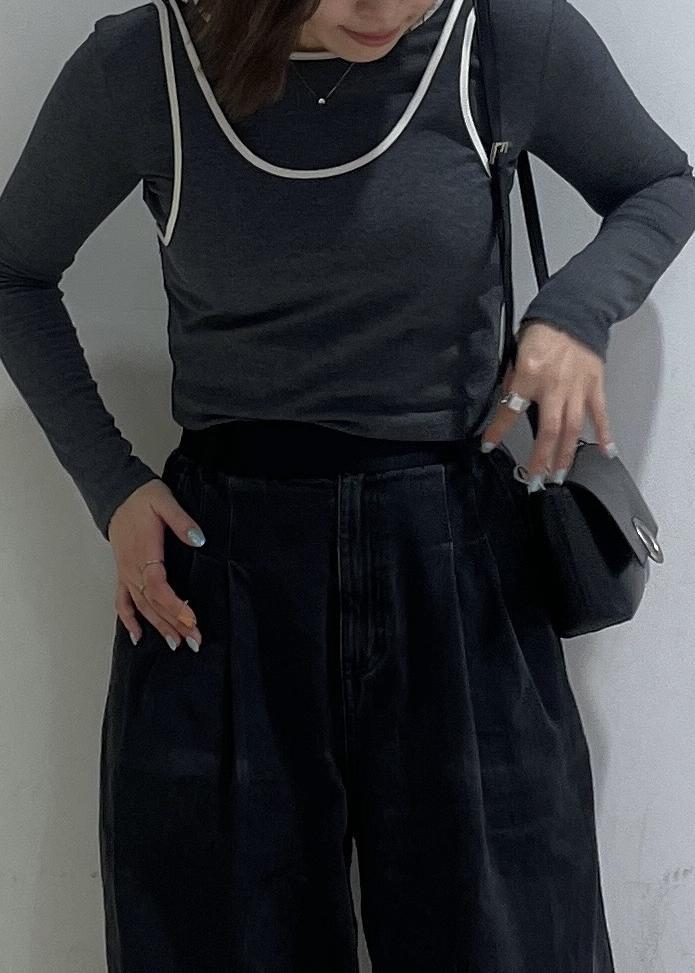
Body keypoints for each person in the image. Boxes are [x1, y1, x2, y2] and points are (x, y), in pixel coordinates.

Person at [0, 0, 694, 968]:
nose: (384, 10)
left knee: (511, 940)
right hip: (225, 578)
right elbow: (15, 271)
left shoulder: (500, 38)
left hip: (454, 560)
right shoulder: (147, 64)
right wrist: (109, 484)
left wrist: (575, 311)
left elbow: (660, 182)